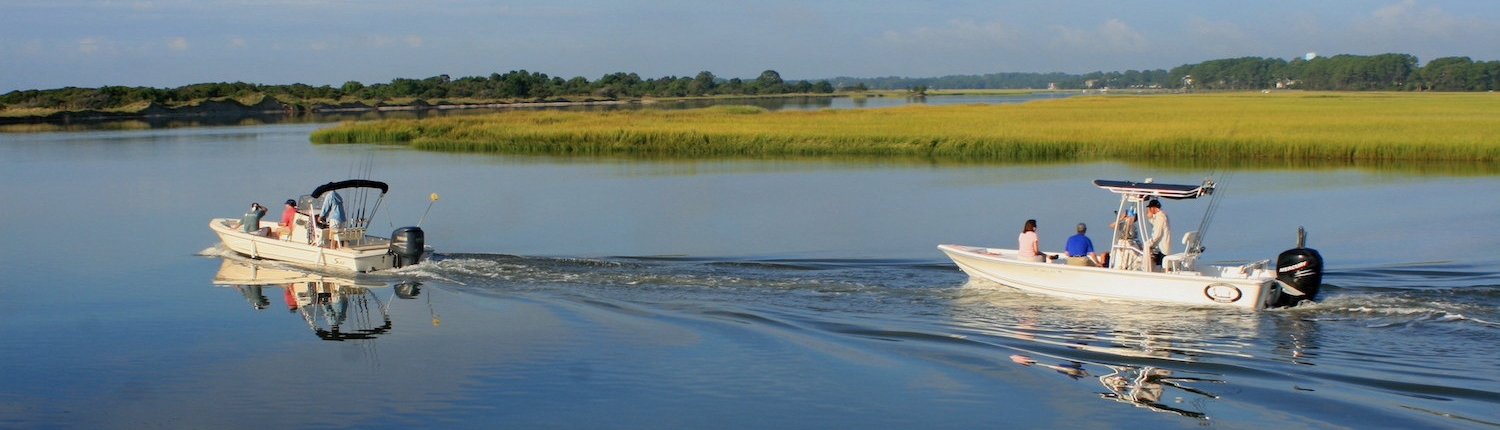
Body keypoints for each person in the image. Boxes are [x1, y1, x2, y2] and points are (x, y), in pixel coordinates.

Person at [1145, 199, 1173, 269]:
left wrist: (1149, 243)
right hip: (1161, 246)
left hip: (1163, 247)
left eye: (1150, 208)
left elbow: (1157, 233)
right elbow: (1156, 225)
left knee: (1164, 265)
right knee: (1159, 262)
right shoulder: (1160, 215)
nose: (1149, 210)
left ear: (1154, 208)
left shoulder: (1160, 217)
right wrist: (1150, 218)